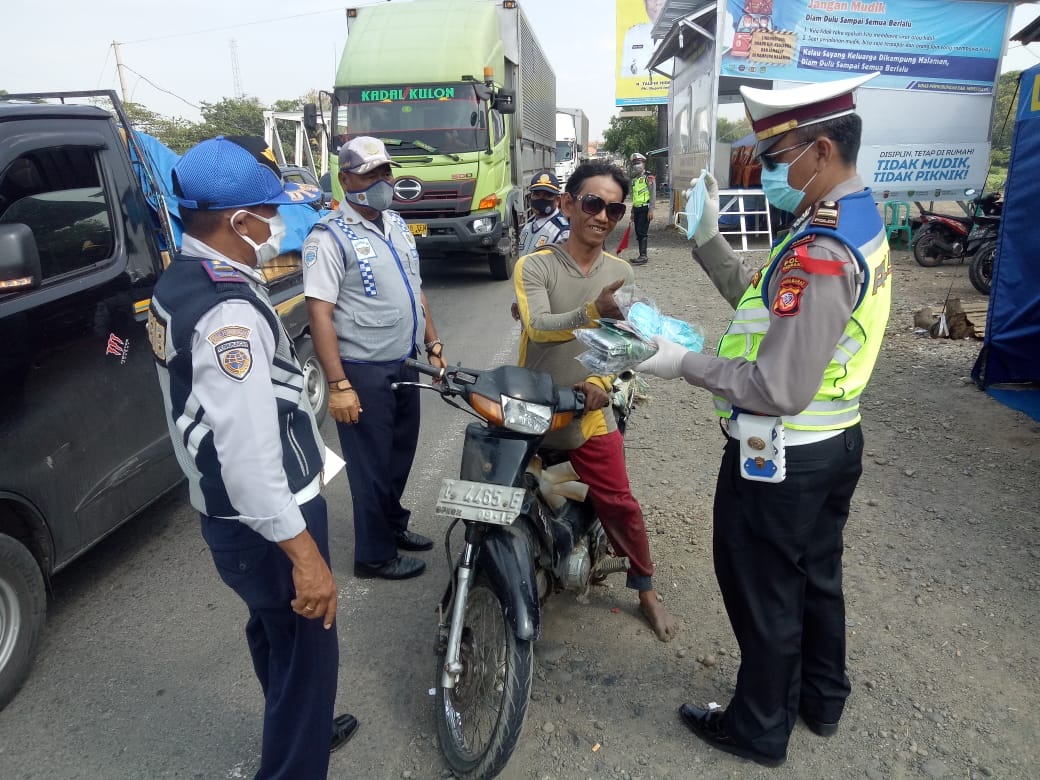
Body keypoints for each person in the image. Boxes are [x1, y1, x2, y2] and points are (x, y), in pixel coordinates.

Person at [636, 72, 889, 766]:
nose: (766, 169)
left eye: (777, 156)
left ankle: (758, 727)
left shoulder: (822, 246)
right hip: (832, 441)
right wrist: (709, 242)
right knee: (815, 574)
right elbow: (767, 302)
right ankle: (821, 698)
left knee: (764, 587)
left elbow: (777, 384)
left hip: (783, 451)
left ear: (823, 150)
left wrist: (678, 363)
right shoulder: (850, 214)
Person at [147, 135, 357, 779]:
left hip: (233, 520)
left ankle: (305, 720)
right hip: (268, 521)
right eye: (268, 212)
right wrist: (306, 557)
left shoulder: (185, 279)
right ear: (238, 222)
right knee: (306, 646)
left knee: (276, 636)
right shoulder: (226, 311)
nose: (277, 223)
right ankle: (296, 755)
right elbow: (247, 458)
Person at [513, 160, 676, 642]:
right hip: (532, 405)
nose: (603, 215)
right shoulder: (535, 265)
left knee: (621, 503)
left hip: (589, 412)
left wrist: (607, 386)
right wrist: (592, 309)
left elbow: (627, 346)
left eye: (614, 208)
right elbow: (538, 324)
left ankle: (645, 589)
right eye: (592, 203)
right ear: (567, 204)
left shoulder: (621, 272)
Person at [303, 136, 445, 581]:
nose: (382, 181)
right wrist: (339, 385)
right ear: (345, 179)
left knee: (399, 454)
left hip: (404, 361)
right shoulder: (328, 237)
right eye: (370, 174)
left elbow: (415, 289)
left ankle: (393, 525)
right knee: (370, 466)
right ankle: (374, 555)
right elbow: (319, 313)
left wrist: (433, 344)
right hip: (362, 371)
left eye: (385, 172)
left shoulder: (397, 224)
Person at [519, 170, 569, 256]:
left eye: (547, 195)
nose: (540, 199)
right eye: (536, 194)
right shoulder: (528, 226)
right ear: (530, 196)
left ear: (557, 200)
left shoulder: (562, 233)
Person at [619, 0, 667, 77]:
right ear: (644, 3)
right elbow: (625, 75)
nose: (657, 2)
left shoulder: (683, 31)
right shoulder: (632, 34)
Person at [628, 152, 656, 266]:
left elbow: (653, 194)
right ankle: (641, 255)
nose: (636, 165)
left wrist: (651, 210)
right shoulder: (634, 180)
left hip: (645, 209)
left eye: (638, 163)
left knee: (642, 232)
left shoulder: (648, 178)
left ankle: (643, 256)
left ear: (643, 164)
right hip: (637, 209)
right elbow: (634, 197)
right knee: (638, 233)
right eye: (634, 163)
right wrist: (632, 212)